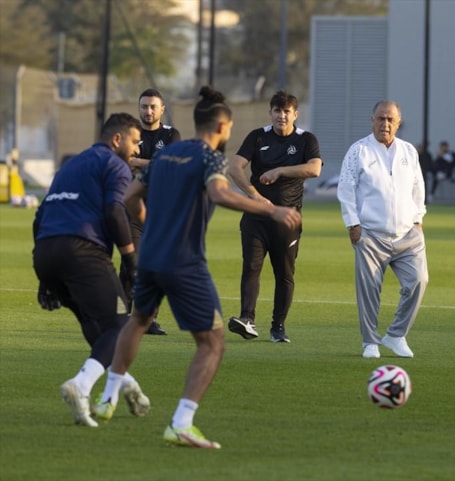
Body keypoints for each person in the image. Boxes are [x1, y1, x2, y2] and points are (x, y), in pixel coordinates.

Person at [93, 87, 301, 449]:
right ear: (221, 126)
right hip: (183, 261)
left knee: (138, 320)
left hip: (150, 256)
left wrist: (151, 225)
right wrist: (271, 209)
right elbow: (219, 194)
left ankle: (107, 397)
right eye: (229, 127)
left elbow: (129, 198)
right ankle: (181, 422)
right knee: (212, 344)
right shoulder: (210, 158)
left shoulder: (166, 155)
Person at [32, 113, 151, 428]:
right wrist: (131, 260)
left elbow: (40, 217)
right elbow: (115, 211)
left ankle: (126, 385)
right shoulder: (115, 165)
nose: (137, 150)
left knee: (95, 324)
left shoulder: (69, 165)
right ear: (117, 139)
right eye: (135, 141)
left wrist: (44, 278)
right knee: (121, 327)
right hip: (82, 251)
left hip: (46, 252)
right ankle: (81, 385)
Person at [226, 90, 322, 342]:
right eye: (277, 111)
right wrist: (254, 195)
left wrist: (280, 170)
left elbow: (314, 169)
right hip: (255, 217)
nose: (282, 116)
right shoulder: (257, 136)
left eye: (287, 111)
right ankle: (247, 319)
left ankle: (278, 327)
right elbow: (234, 168)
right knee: (251, 267)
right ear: (270, 113)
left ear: (295, 114)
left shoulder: (306, 139)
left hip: (287, 220)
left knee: (284, 274)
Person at [337, 100, 428, 359]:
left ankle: (396, 335)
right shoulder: (359, 150)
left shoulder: (409, 151)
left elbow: (418, 187)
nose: (385, 124)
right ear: (372, 120)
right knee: (369, 291)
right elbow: (346, 188)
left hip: (407, 234)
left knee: (419, 281)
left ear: (398, 123)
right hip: (370, 233)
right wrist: (352, 223)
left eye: (390, 120)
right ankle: (370, 342)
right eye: (380, 118)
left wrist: (418, 220)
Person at [123, 88, 182, 335]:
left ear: (162, 109)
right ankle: (124, 316)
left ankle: (148, 319)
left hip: (160, 211)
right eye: (144, 106)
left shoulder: (171, 135)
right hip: (132, 208)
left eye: (153, 107)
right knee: (131, 262)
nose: (148, 111)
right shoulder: (131, 133)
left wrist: (138, 162)